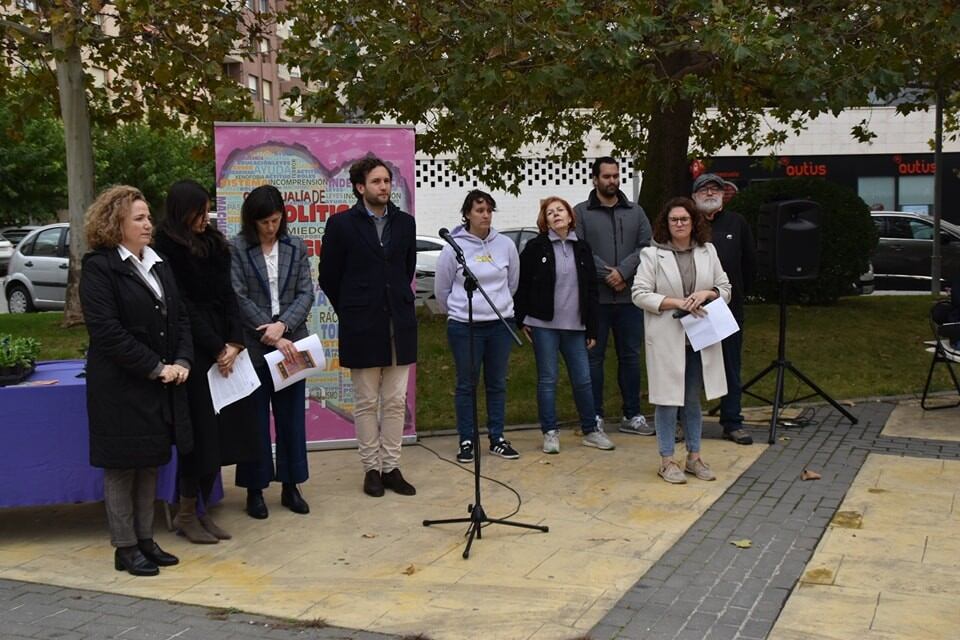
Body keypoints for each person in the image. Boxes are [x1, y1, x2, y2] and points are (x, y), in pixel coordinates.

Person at [80, 185, 191, 576]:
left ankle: (145, 539)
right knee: (122, 467)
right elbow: (107, 332)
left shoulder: (158, 263)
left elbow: (179, 318)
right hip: (119, 387)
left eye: (148, 217)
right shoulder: (99, 267)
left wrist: (182, 359)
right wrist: (156, 366)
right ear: (117, 224)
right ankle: (124, 547)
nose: (149, 225)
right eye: (139, 219)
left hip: (156, 385)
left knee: (149, 463)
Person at [154, 180, 258, 542]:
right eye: (199, 210)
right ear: (183, 211)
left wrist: (234, 341)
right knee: (198, 435)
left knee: (222, 434)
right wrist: (216, 347)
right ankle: (185, 512)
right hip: (195, 349)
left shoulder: (215, 244)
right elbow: (183, 306)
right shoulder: (166, 248)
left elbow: (229, 295)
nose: (204, 217)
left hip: (224, 347)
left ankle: (201, 510)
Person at [318, 156, 418, 498]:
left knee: (394, 400)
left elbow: (406, 269)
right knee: (365, 401)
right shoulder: (341, 225)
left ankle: (391, 467)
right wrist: (352, 310)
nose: (384, 187)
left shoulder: (405, 223)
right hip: (361, 324)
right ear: (360, 187)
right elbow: (329, 276)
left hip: (398, 323)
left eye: (387, 181)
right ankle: (371, 469)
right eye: (377, 182)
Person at [632, 197, 732, 484]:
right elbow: (639, 294)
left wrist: (707, 293)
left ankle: (694, 457)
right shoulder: (652, 255)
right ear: (666, 223)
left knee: (691, 400)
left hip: (699, 336)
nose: (679, 224)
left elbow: (725, 288)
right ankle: (666, 460)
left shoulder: (707, 251)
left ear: (693, 222)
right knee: (667, 400)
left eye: (684, 219)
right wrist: (675, 302)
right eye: (674, 219)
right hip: (667, 337)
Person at [231, 184, 315, 519]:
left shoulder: (296, 247)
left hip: (292, 344)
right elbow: (237, 296)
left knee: (292, 417)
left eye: (276, 220)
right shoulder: (236, 248)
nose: (271, 227)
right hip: (254, 346)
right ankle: (255, 489)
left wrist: (283, 328)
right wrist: (269, 330)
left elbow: (306, 293)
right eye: (264, 222)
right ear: (251, 221)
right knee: (254, 420)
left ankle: (291, 485)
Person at [515, 196, 613, 453]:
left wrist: (592, 327)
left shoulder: (582, 248)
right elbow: (522, 284)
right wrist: (521, 318)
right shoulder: (536, 247)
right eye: (550, 212)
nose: (556, 214)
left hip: (576, 326)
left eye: (561, 210)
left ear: (570, 217)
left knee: (583, 379)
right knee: (548, 379)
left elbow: (592, 290)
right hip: (543, 324)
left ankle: (591, 430)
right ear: (544, 221)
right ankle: (550, 432)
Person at [435, 189, 521, 463]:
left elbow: (512, 282)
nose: (485, 215)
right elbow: (442, 290)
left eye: (489, 211)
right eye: (479, 210)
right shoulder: (453, 247)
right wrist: (458, 311)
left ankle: (497, 437)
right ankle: (467, 439)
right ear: (467, 214)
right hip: (465, 326)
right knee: (466, 384)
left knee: (496, 383)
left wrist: (500, 307)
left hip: (500, 324)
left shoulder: (505, 244)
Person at [574, 157, 654, 436]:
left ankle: (632, 414)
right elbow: (579, 250)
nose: (612, 181)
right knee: (593, 359)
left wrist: (623, 272)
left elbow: (646, 247)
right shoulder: (581, 213)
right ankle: (594, 415)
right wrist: (607, 275)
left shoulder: (636, 211)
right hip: (596, 301)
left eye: (616, 176)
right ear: (595, 178)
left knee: (631, 357)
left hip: (630, 299)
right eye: (606, 176)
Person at [691, 173, 757, 445]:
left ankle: (732, 421)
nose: (709, 193)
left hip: (728, 309)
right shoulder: (687, 224)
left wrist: (740, 294)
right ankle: (686, 421)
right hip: (694, 309)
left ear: (723, 195)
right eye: (703, 189)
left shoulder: (737, 223)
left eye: (715, 189)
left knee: (731, 365)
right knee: (692, 368)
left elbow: (750, 265)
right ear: (694, 196)